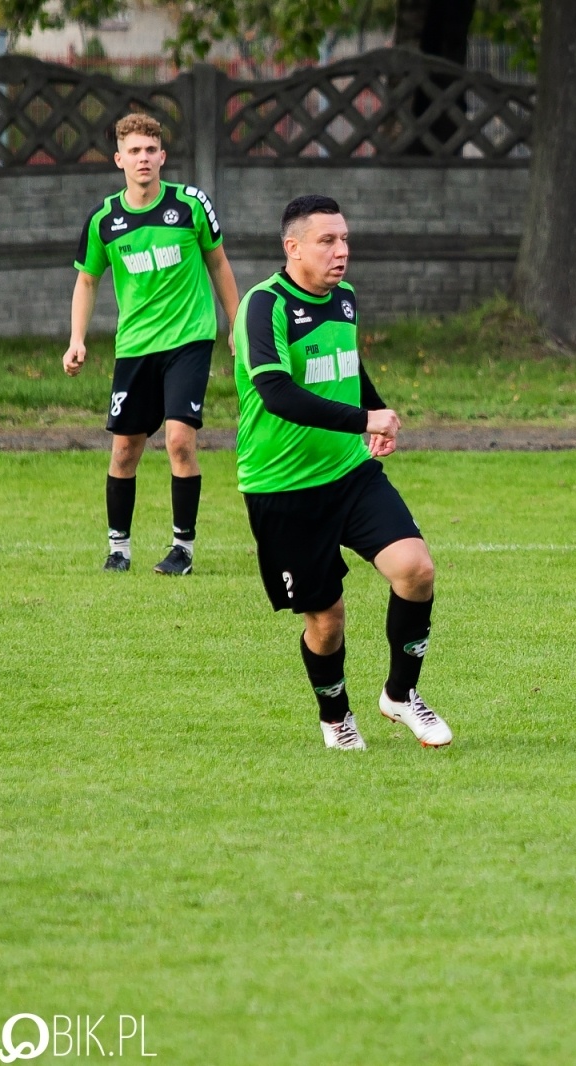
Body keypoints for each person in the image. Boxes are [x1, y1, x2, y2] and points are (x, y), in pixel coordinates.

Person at [232, 195, 450, 751]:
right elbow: (276, 393)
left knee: (416, 570)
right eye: (327, 240)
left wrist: (374, 413)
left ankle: (401, 695)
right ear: (293, 247)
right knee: (326, 619)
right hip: (282, 487)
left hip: (350, 473)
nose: (341, 251)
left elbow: (349, 367)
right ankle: (336, 717)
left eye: (345, 239)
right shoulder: (264, 305)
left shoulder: (345, 298)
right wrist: (361, 418)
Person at [64, 112, 240, 575]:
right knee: (125, 450)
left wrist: (236, 325)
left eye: (150, 150)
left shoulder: (191, 205)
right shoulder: (104, 220)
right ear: (119, 159)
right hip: (135, 347)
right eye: (134, 151)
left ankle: (182, 549)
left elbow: (219, 264)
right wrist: (76, 339)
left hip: (189, 340)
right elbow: (87, 281)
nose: (143, 158)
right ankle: (119, 550)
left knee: (180, 441)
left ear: (162, 156)